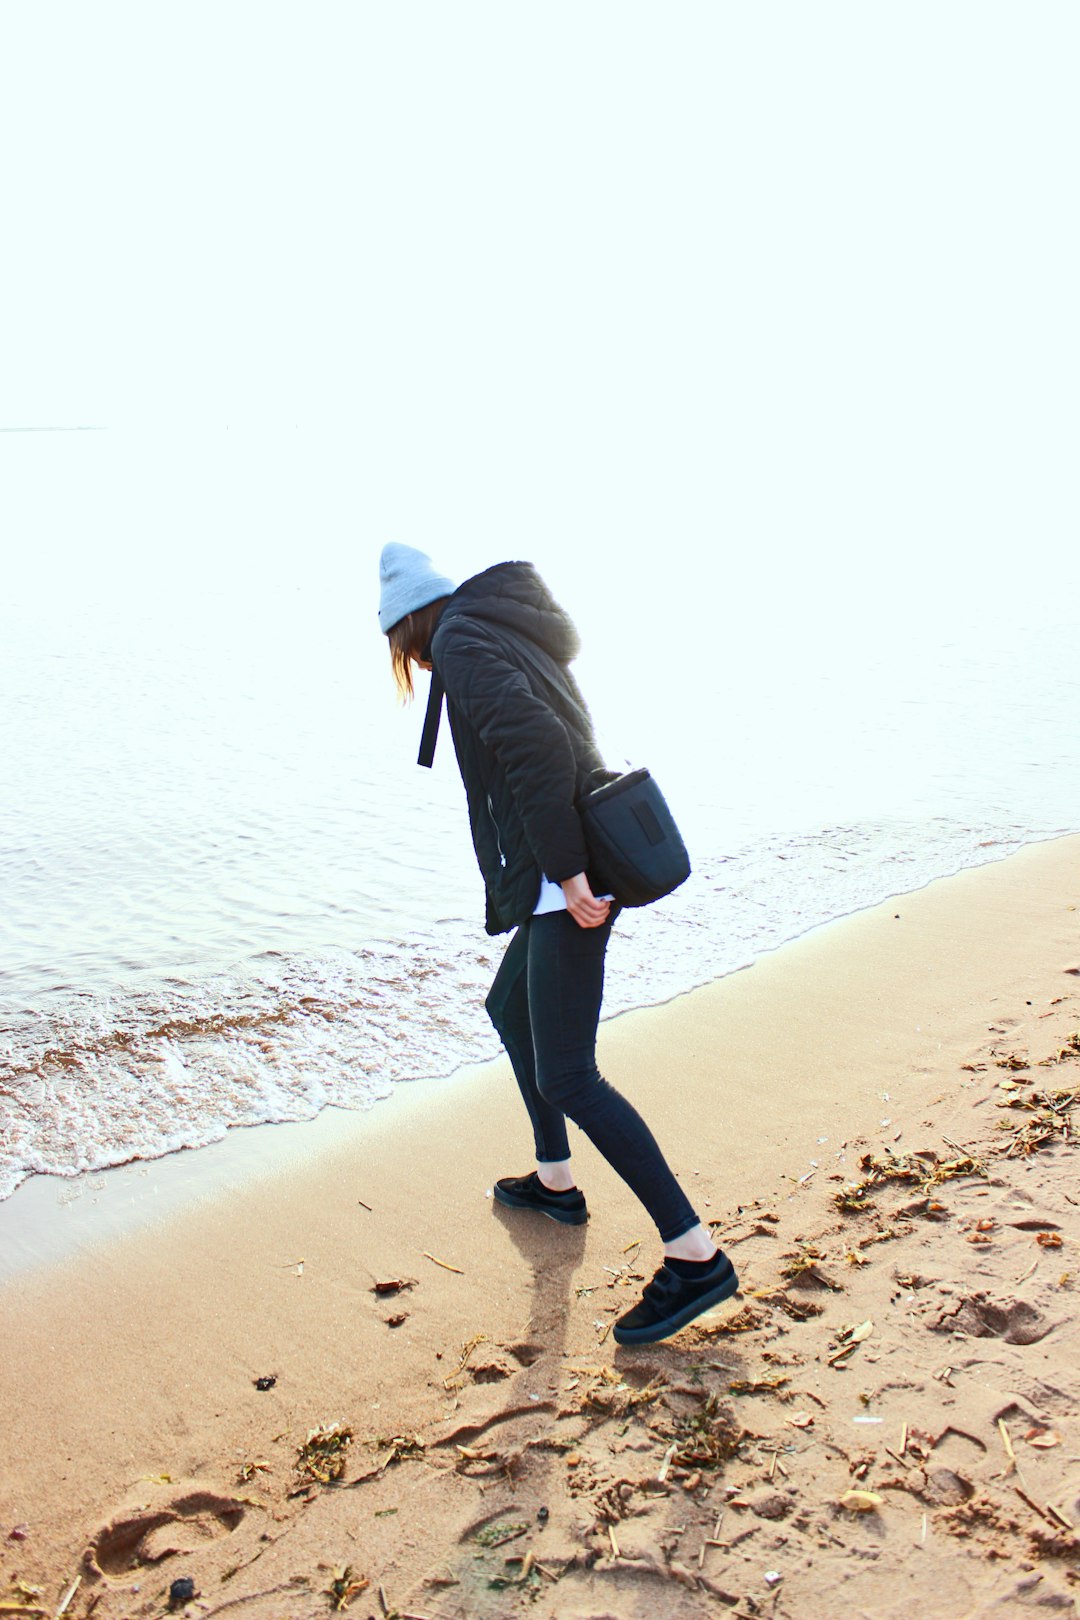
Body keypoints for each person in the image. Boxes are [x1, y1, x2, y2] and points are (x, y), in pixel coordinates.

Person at [377, 542, 738, 1345]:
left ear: (409, 630)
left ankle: (694, 1256)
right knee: (510, 1008)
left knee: (570, 1073)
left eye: (403, 653)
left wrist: (568, 874)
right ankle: (554, 1181)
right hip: (557, 869)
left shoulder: (465, 642)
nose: (414, 667)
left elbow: (537, 745)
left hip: (562, 877)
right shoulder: (494, 628)